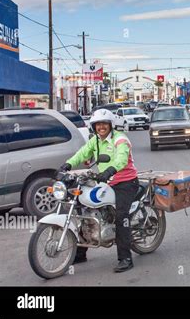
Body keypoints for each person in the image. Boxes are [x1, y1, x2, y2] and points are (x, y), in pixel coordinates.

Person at [59, 109, 139, 273]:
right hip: (105, 180)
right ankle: (80, 252)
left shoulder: (120, 139)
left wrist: (110, 170)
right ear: (93, 127)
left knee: (121, 216)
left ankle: (125, 258)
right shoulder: (94, 141)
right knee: (83, 208)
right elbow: (82, 154)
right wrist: (68, 165)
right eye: (97, 125)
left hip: (125, 182)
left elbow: (122, 159)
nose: (101, 127)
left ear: (110, 125)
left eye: (104, 124)